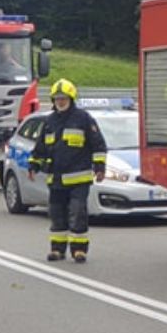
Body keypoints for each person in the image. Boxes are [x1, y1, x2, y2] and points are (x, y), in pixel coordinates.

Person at [27, 79, 107, 263]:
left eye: (63, 98)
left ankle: (79, 250)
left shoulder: (83, 119)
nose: (60, 101)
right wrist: (34, 165)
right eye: (57, 98)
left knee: (77, 211)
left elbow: (98, 145)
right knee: (56, 213)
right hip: (55, 179)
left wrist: (100, 167)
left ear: (71, 99)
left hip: (79, 178)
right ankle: (57, 249)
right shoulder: (49, 122)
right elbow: (39, 149)